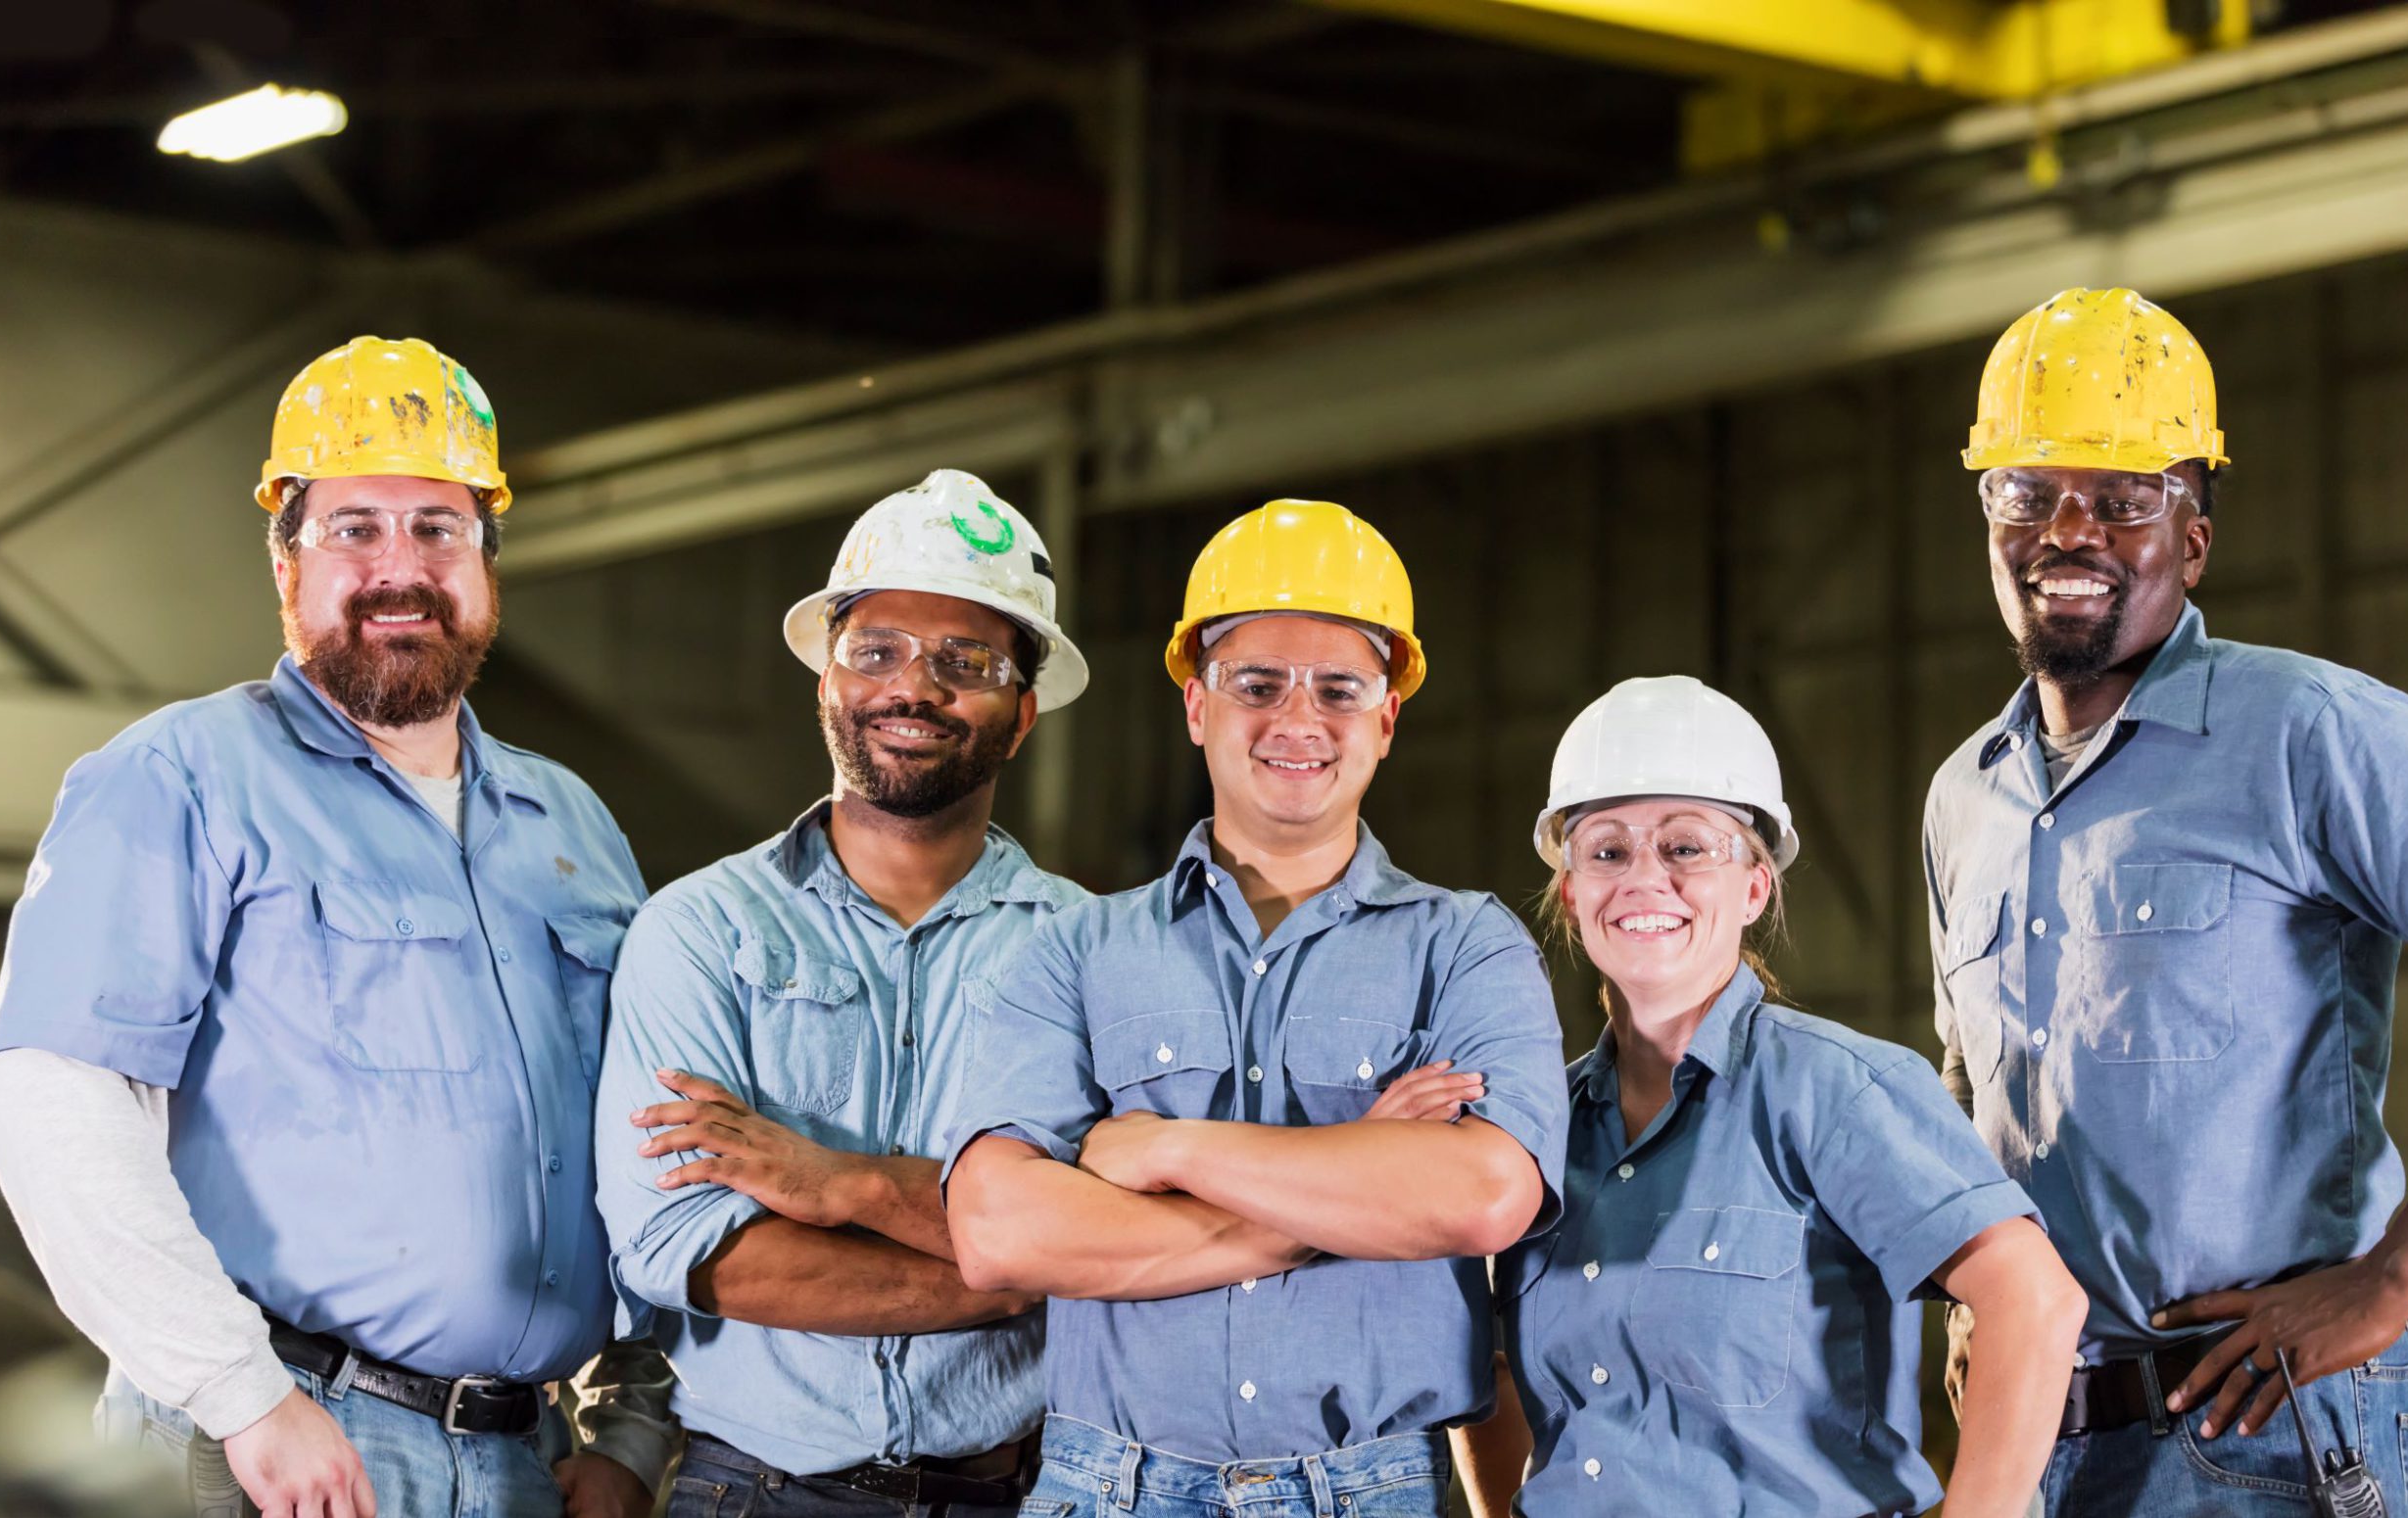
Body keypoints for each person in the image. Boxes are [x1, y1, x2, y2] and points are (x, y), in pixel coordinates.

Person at [0, 336, 663, 1518]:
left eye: (437, 529)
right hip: (279, 1444)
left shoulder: (572, 825)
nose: (399, 565)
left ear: (487, 564)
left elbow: (654, 1137)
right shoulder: (179, 778)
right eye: (354, 527)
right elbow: (54, 1098)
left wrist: (629, 1427)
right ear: (286, 561)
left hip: (524, 1458)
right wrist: (243, 1394)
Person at [1930, 286, 2408, 1512]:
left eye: (2121, 501)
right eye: (2028, 492)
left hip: (2266, 1435)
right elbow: (1972, 1085)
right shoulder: (1963, 798)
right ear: (1987, 518)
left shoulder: (2306, 733)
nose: (2068, 530)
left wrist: (2391, 1277)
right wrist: (1973, 1288)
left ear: (2194, 538)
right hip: (2040, 1443)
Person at [944, 498, 1567, 1518]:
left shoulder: (1466, 944)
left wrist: (1163, 1146)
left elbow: (1481, 1194)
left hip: (1369, 1485)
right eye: (1257, 683)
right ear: (1196, 705)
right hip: (1108, 1485)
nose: (1298, 718)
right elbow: (999, 1230)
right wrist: (1342, 1189)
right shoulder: (1072, 950)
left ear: (1386, 718)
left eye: (1339, 688)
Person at [1455, 675, 2083, 1517]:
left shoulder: (1832, 1090)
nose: (1644, 877)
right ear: (1571, 894)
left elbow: (2034, 1299)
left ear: (1755, 888)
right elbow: (1492, 1376)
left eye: (1686, 847)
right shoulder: (1535, 1129)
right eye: (1606, 850)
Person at [595, 469, 1090, 1517]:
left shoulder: (1091, 953)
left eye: (969, 661)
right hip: (753, 1492)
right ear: (826, 678)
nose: (915, 686)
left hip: (1023, 1495)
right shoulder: (699, 931)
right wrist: (1009, 1268)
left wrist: (845, 1185)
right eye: (876, 651)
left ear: (1025, 710)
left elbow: (1104, 1234)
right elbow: (688, 1252)